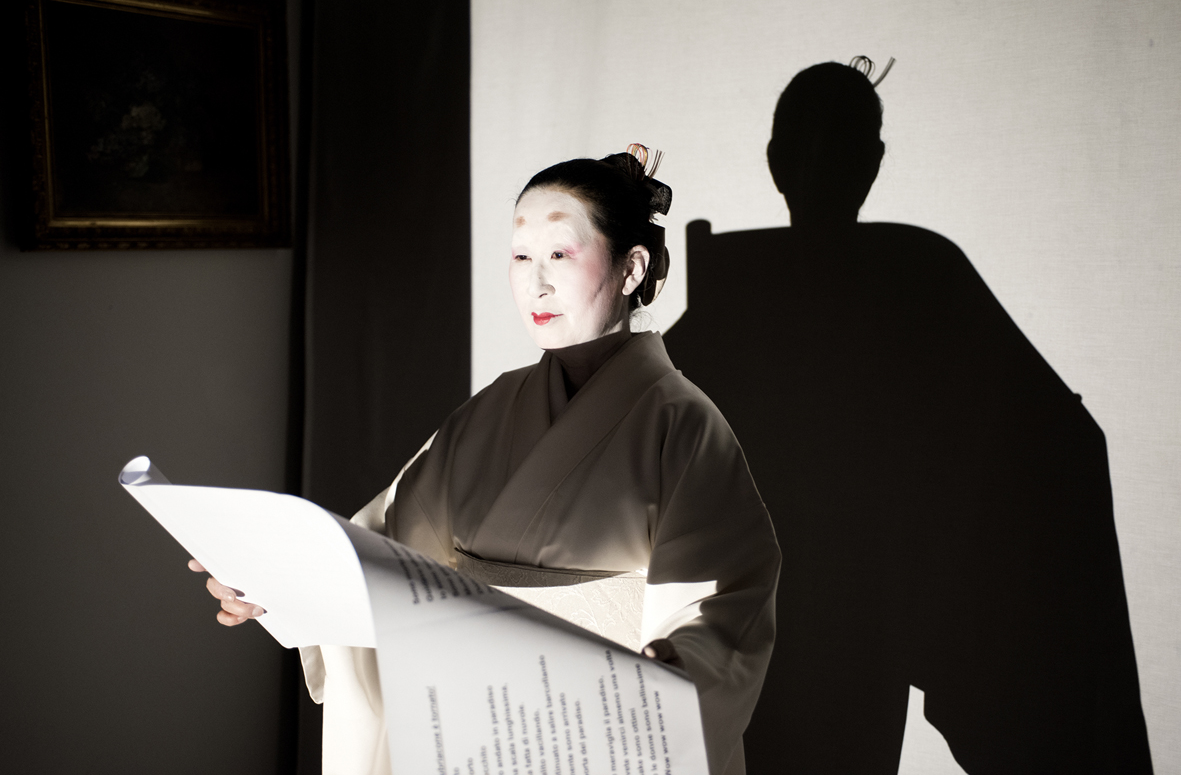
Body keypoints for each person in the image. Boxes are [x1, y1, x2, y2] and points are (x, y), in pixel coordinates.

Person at [193, 146, 780, 775]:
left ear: (632, 267)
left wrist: (652, 696)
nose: (536, 282)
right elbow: (380, 552)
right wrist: (270, 581)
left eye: (560, 255)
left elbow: (720, 613)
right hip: (475, 727)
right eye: (522, 256)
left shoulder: (683, 425)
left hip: (594, 734)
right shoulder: (496, 407)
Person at [662, 60, 1153, 773]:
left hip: (839, 617)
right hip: (805, 619)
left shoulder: (909, 279)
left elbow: (1050, 437)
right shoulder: (914, 277)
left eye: (838, 145)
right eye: (816, 145)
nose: (824, 163)